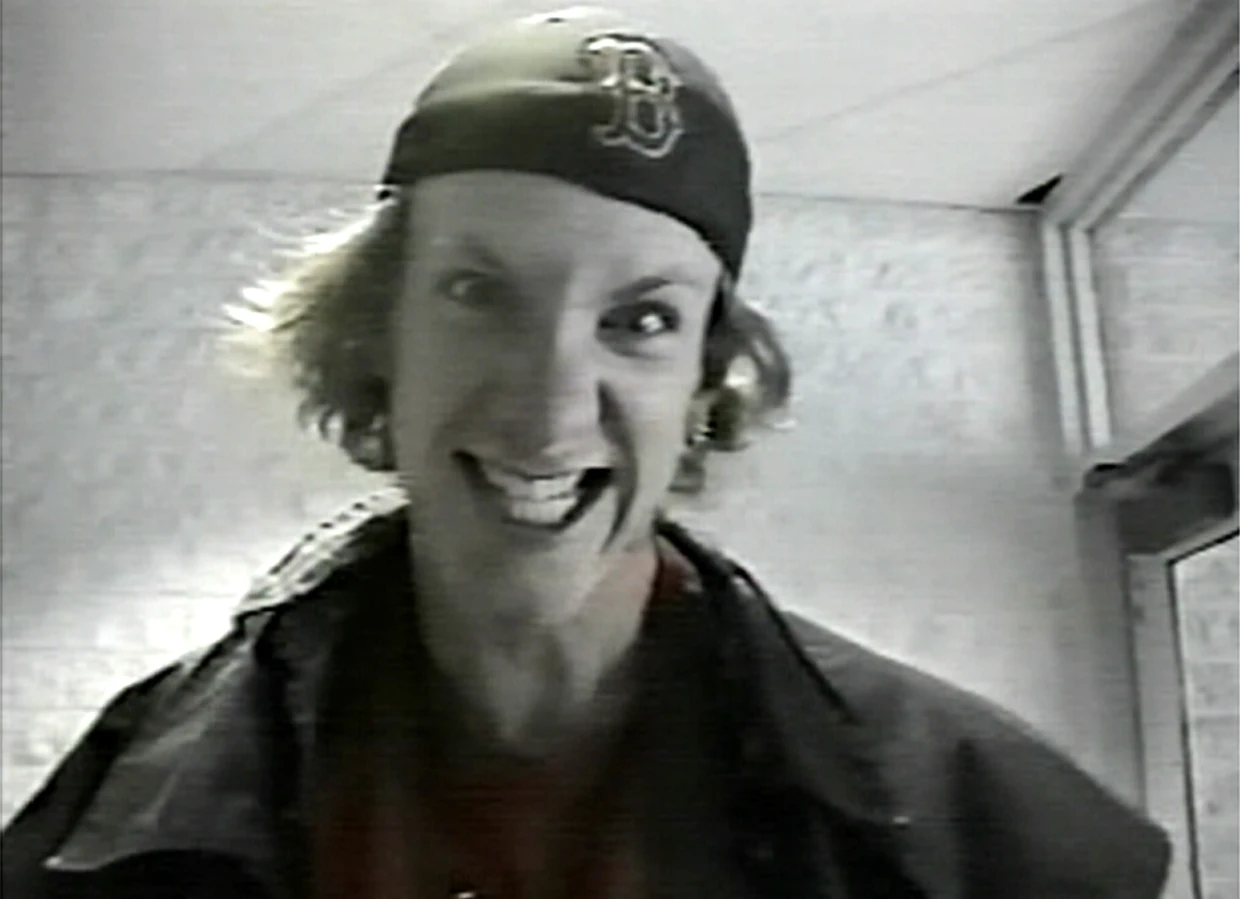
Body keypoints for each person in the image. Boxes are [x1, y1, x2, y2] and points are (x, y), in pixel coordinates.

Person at [1, 8, 1171, 898]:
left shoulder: (986, 827)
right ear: (378, 338)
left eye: (639, 319)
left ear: (705, 385)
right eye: (478, 292)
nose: (548, 405)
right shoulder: (119, 806)